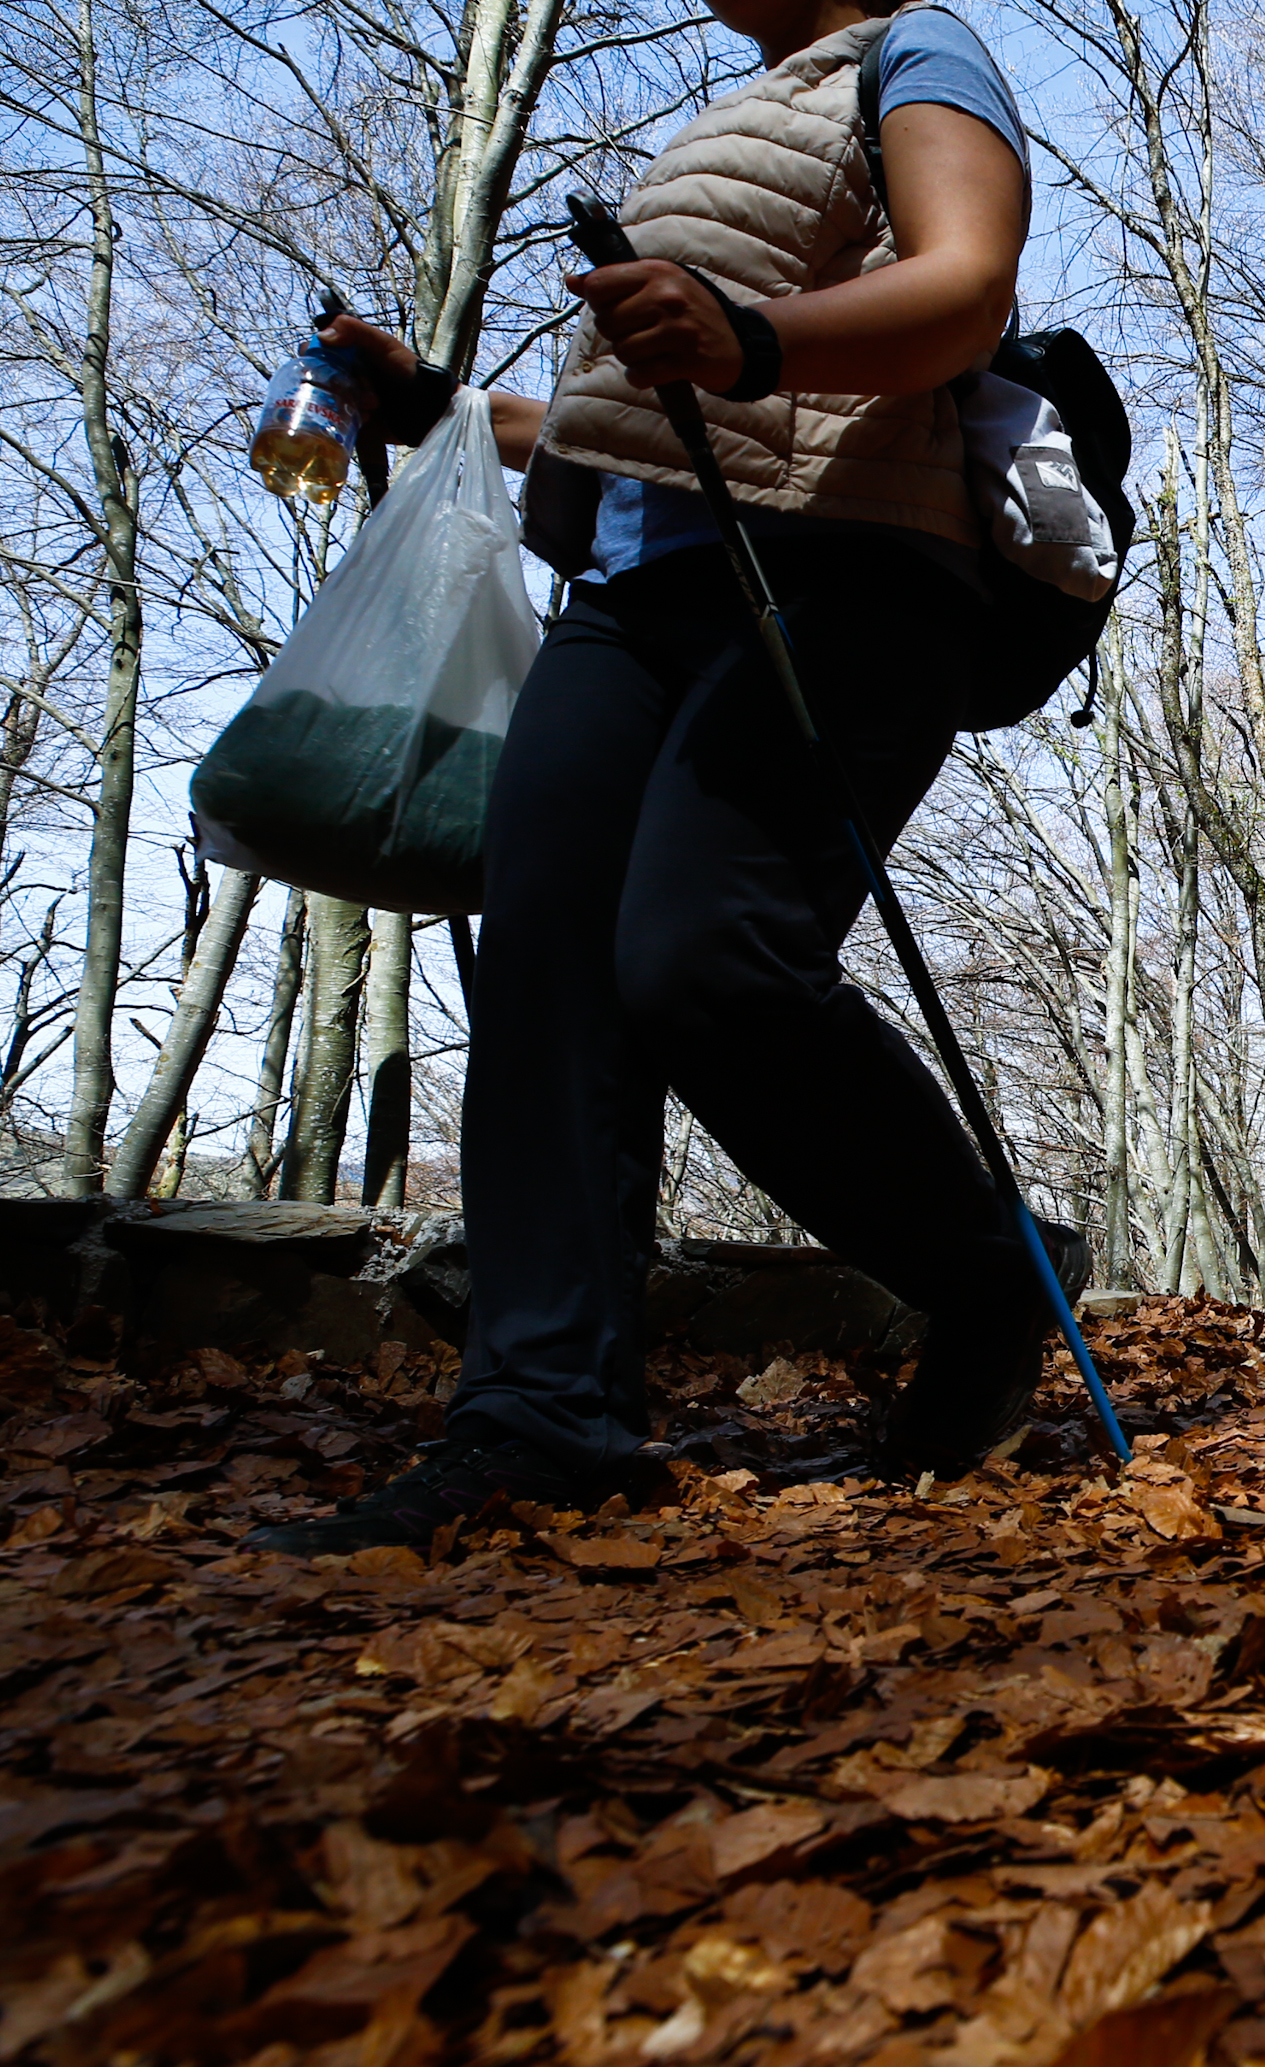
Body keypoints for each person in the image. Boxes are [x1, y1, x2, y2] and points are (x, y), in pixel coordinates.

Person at [252, 0, 1067, 1554]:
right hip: (628, 598)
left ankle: (989, 1278)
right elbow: (644, 409)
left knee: (703, 957)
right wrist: (437, 409)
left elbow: (963, 291)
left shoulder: (918, 50)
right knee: (551, 985)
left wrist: (750, 333)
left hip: (844, 586)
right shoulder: (739, 108)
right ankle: (539, 1413)